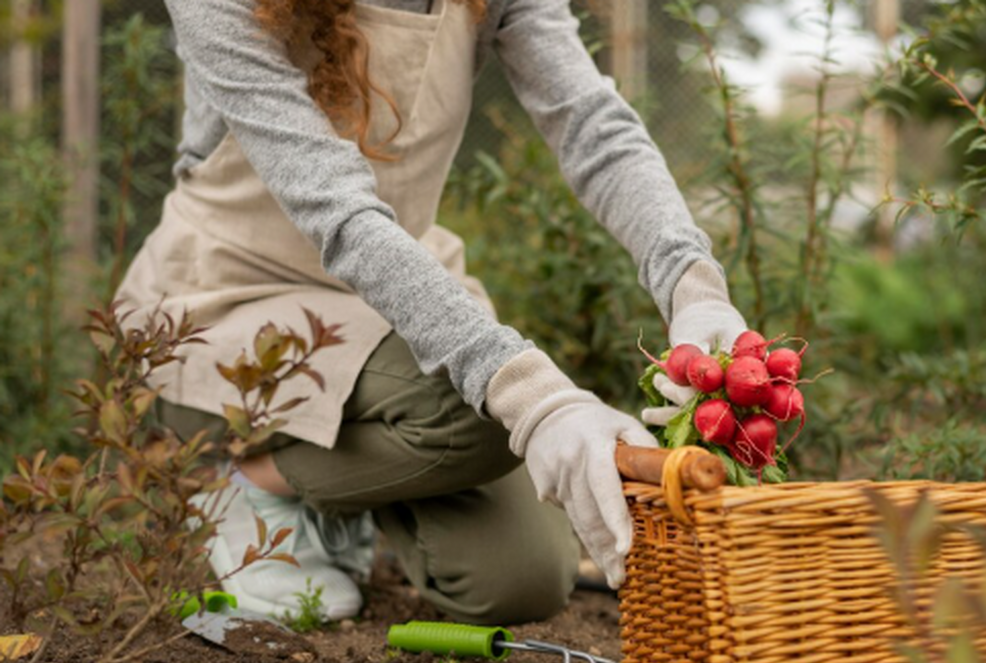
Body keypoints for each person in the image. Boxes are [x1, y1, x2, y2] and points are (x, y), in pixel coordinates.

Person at [116, 0, 747, 626]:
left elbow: (591, 124)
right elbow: (337, 213)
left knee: (520, 582)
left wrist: (692, 285)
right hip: (229, 298)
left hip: (393, 297)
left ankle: (327, 490)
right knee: (482, 405)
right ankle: (243, 485)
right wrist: (537, 397)